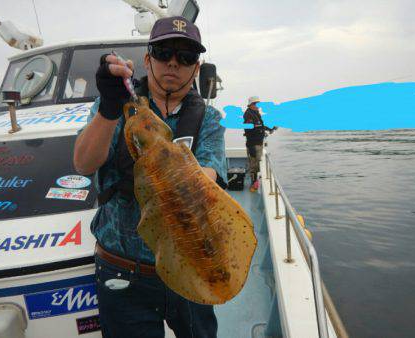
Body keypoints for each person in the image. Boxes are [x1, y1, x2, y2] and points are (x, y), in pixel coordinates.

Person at [73, 16, 227, 338]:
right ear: (147, 59)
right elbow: (83, 164)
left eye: (186, 57)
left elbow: (210, 174)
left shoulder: (209, 119)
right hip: (123, 270)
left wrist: (178, 169)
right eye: (163, 52)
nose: (173, 63)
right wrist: (109, 111)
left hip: (190, 267)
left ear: (195, 69)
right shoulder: (114, 106)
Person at [243, 96, 274, 192]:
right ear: (251, 105)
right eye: (256, 104)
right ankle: (253, 184)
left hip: (259, 143)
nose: (258, 106)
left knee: (256, 164)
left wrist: (269, 128)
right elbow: (248, 129)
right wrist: (251, 146)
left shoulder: (256, 113)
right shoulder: (248, 114)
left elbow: (259, 125)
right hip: (253, 144)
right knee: (254, 165)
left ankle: (255, 182)